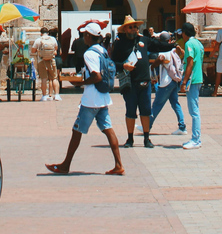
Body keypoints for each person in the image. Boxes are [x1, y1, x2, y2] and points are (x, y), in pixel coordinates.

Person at [45, 22, 124, 175]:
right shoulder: (103, 50)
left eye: (84, 35)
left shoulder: (89, 53)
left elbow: (96, 76)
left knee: (77, 130)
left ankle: (65, 165)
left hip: (91, 99)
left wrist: (81, 82)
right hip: (103, 97)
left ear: (88, 36)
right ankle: (119, 165)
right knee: (108, 129)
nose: (83, 38)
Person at [111, 15, 175, 149]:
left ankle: (146, 138)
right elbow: (112, 63)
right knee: (130, 111)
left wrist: (173, 45)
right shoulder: (119, 44)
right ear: (125, 29)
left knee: (146, 111)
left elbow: (158, 46)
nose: (134, 29)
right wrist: (123, 66)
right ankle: (130, 139)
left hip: (144, 82)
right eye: (131, 27)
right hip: (130, 83)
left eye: (135, 27)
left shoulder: (144, 40)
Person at [148, 33, 187, 136]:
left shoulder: (164, 52)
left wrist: (153, 66)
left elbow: (160, 59)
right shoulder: (174, 50)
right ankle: (182, 126)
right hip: (174, 80)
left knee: (157, 104)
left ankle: (147, 126)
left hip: (166, 82)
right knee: (175, 103)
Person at [179, 22, 204, 149]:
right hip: (198, 78)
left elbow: (190, 64)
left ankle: (196, 139)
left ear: (184, 33)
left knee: (194, 110)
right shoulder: (199, 44)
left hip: (192, 80)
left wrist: (184, 81)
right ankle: (196, 138)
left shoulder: (189, 43)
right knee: (194, 108)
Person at [31, 27, 60, 101]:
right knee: (54, 78)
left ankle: (44, 96)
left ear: (41, 33)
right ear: (47, 33)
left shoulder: (38, 40)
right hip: (51, 60)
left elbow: (33, 51)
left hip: (41, 60)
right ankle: (56, 95)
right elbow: (56, 48)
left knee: (44, 78)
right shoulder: (53, 39)